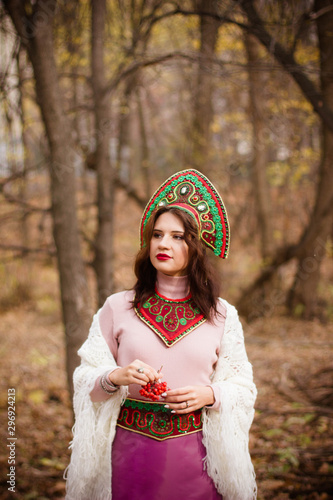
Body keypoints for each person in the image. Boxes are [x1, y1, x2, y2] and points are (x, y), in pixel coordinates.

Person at [65, 169, 257, 500]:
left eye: (177, 236)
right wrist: (115, 376)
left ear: (196, 245)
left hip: (197, 461)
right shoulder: (117, 307)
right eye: (157, 235)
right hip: (127, 459)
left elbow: (243, 389)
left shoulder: (222, 314)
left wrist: (211, 395)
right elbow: (85, 383)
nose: (163, 244)